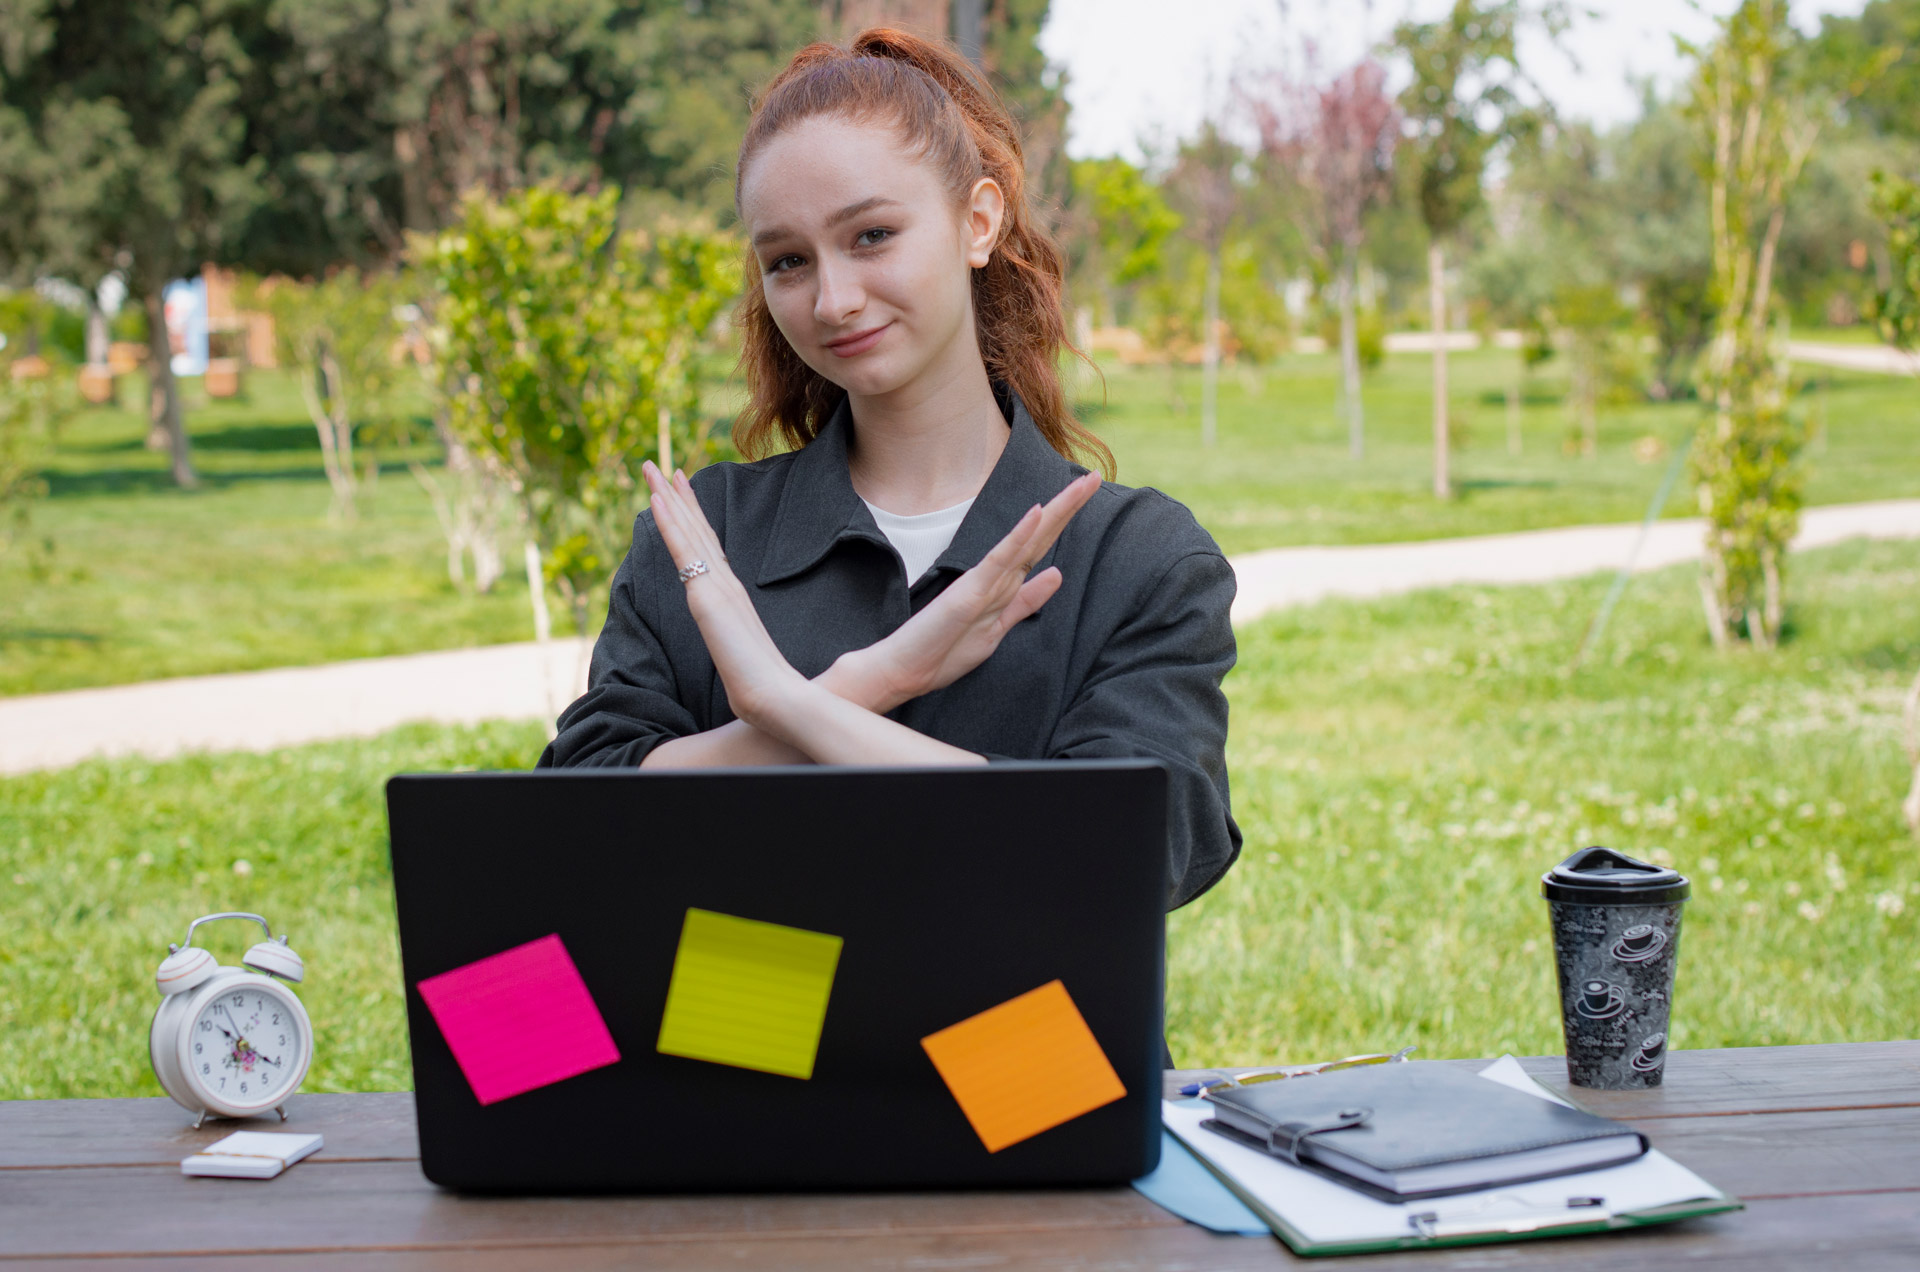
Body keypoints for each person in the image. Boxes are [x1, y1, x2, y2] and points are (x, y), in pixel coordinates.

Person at [541, 28, 1240, 910]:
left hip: (1024, 1003)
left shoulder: (1137, 556)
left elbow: (1118, 858)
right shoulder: (704, 535)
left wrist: (787, 704)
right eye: (788, 261)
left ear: (977, 223)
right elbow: (574, 829)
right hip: (742, 996)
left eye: (871, 235)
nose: (832, 300)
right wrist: (876, 681)